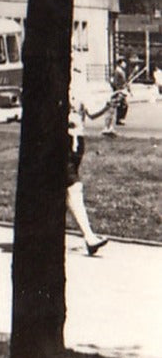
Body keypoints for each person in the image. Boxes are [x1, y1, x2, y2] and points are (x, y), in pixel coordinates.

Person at [67, 89, 110, 256]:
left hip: (77, 142)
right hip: (63, 142)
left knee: (64, 190)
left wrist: (108, 104)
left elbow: (91, 113)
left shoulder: (79, 85)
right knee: (73, 187)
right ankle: (89, 237)